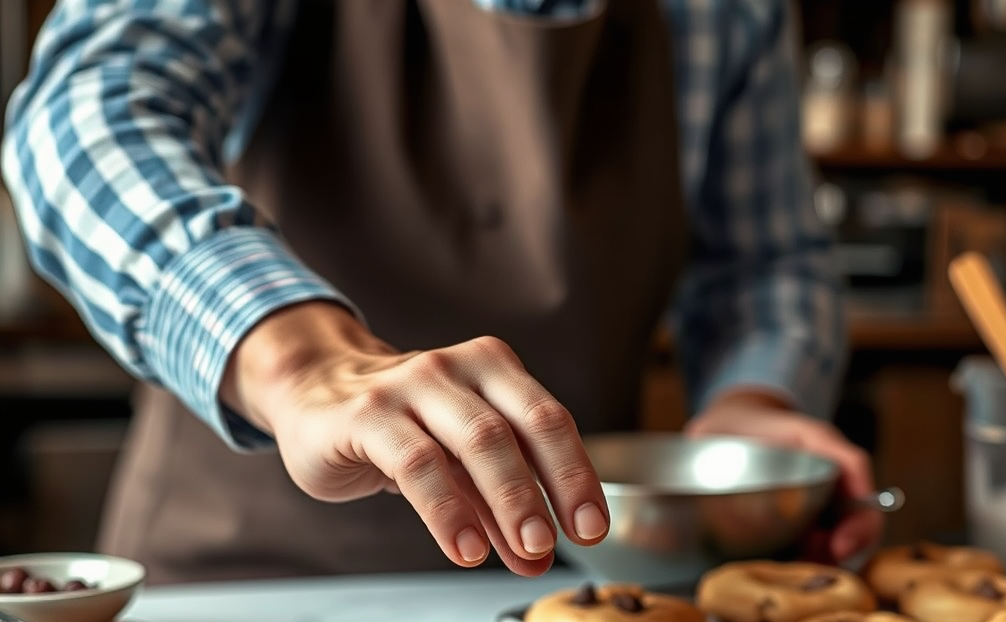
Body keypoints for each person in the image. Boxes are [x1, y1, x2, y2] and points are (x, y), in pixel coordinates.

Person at [1, 0, 882, 584]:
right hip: (240, 587)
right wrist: (300, 359)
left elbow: (762, 261)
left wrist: (753, 402)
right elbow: (82, 118)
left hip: (566, 583)